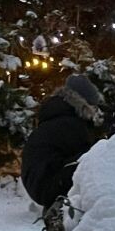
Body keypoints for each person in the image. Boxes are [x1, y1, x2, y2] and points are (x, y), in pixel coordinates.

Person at [21, 74, 103, 212]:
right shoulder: (71, 124)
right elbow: (88, 157)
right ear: (85, 104)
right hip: (47, 184)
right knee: (94, 158)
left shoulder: (59, 114)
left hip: (39, 181)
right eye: (93, 107)